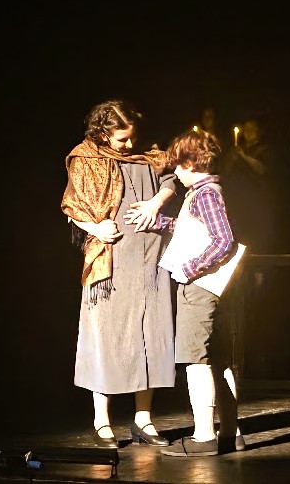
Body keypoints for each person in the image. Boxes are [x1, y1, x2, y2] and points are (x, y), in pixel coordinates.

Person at [60, 99, 177, 448]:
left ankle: (144, 419)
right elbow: (71, 207)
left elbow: (170, 180)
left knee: (151, 336)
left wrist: (155, 203)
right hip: (112, 264)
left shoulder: (147, 156)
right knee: (108, 338)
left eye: (132, 137)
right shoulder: (86, 159)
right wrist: (96, 228)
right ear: (102, 133)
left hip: (151, 261)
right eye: (122, 139)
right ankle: (102, 421)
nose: (129, 144)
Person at [130, 129, 245, 457]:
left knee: (195, 358)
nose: (176, 173)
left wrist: (191, 268)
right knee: (217, 359)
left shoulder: (206, 194)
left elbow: (223, 240)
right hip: (209, 288)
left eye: (179, 166)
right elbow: (192, 230)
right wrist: (157, 222)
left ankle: (204, 437)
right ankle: (230, 433)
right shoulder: (201, 193)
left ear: (193, 163)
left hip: (200, 288)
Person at [221, 115, 279, 253]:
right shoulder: (237, 149)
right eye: (246, 129)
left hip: (257, 196)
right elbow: (226, 171)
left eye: (252, 128)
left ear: (259, 131)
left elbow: (261, 169)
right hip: (239, 196)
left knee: (256, 230)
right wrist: (233, 157)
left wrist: (243, 156)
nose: (248, 132)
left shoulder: (264, 149)